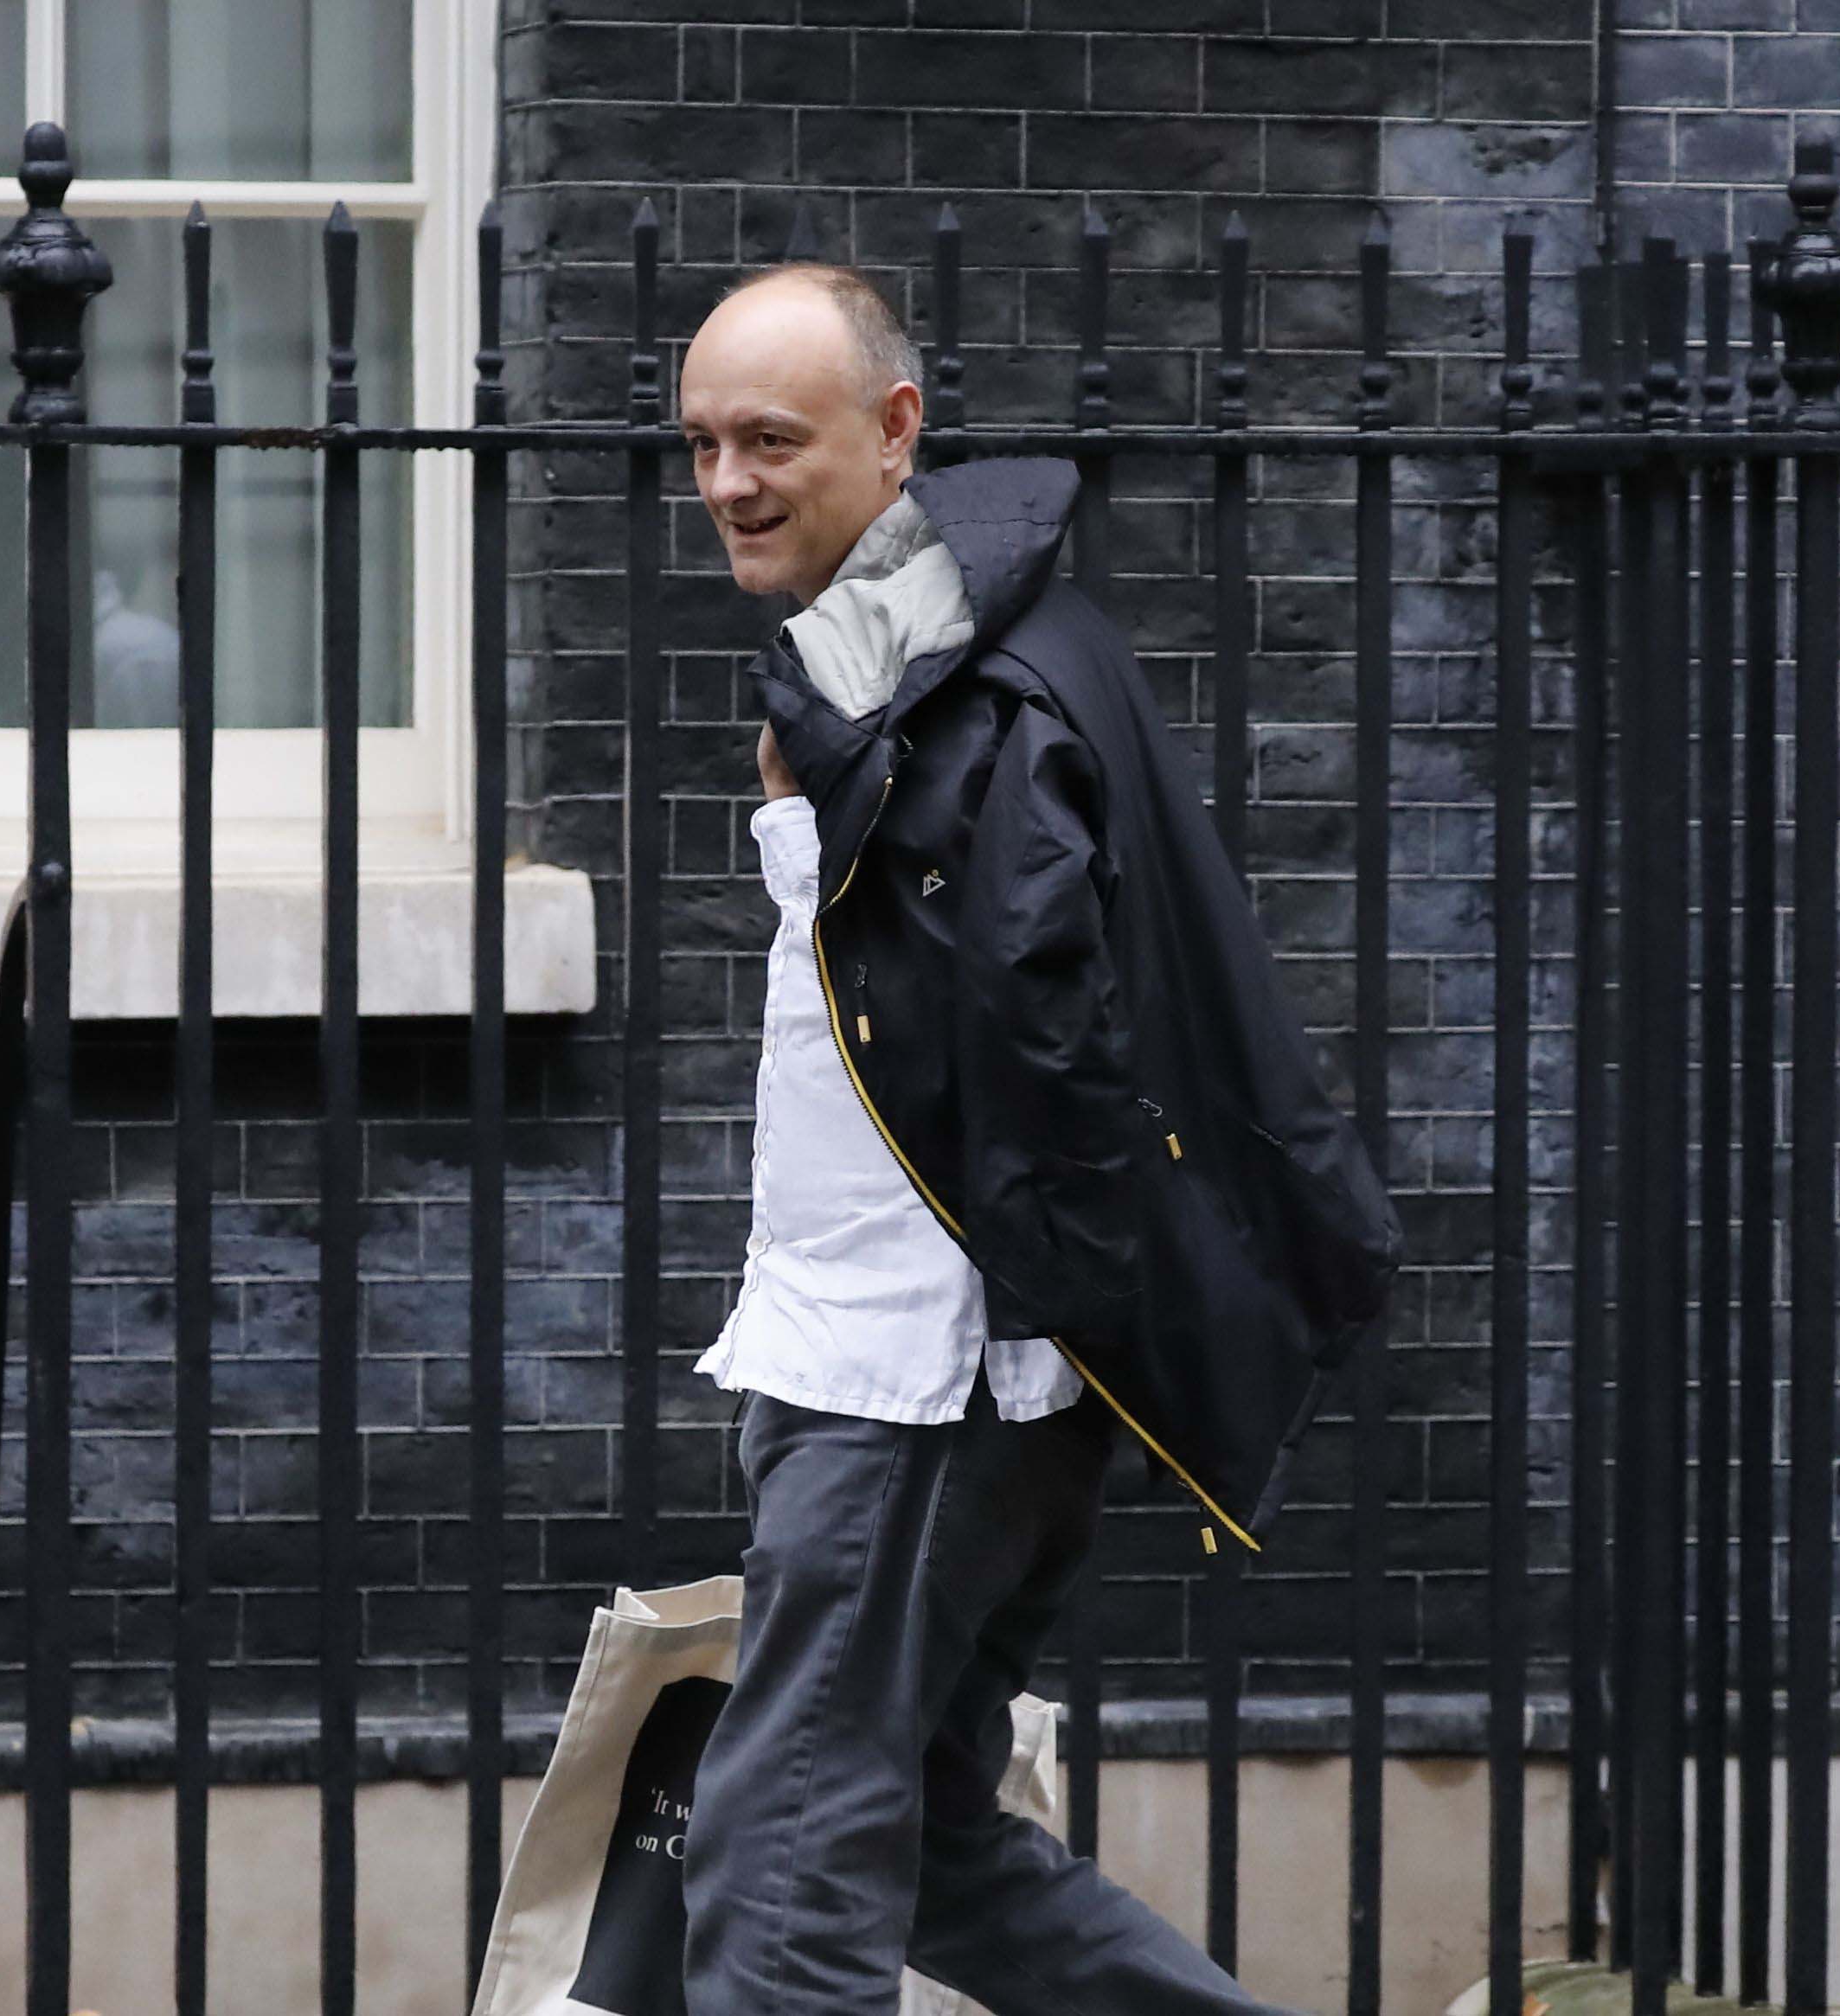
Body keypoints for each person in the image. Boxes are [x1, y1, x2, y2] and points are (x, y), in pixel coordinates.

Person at [672, 261, 1403, 2015]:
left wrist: (1022, 1319)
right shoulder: (906, 660)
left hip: (914, 1374)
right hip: (916, 1357)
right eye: (699, 442)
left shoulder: (969, 691)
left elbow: (1028, 1038)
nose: (727, 482)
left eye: (770, 437)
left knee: (780, 1873)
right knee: (931, 1841)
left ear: (896, 428)